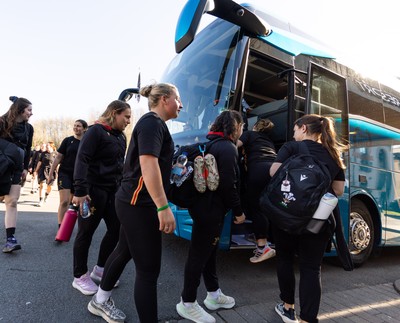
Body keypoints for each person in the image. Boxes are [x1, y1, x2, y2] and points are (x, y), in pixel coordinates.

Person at [86, 83, 180, 323]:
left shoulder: (155, 125)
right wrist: (162, 206)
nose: (181, 105)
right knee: (148, 272)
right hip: (138, 204)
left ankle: (99, 301)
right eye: (178, 99)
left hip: (132, 202)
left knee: (123, 251)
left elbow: (153, 164)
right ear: (164, 100)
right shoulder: (152, 123)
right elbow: (148, 164)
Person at [269, 114, 345, 323]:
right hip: (317, 221)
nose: (294, 134)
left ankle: (287, 308)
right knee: (311, 268)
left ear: (303, 128)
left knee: (284, 259)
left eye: (295, 129)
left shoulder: (292, 147)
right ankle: (307, 319)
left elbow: (273, 172)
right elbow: (338, 190)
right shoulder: (333, 153)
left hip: (288, 216)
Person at [176, 110, 246, 323]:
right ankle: (187, 303)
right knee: (198, 255)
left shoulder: (211, 144)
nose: (242, 130)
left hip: (202, 208)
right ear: (235, 126)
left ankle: (213, 295)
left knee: (208, 252)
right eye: (241, 126)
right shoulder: (227, 148)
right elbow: (228, 184)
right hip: (211, 212)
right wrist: (239, 211)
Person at [71, 100, 131, 296]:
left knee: (116, 229)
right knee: (86, 233)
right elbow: (83, 158)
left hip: (113, 191)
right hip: (92, 191)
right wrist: (80, 190)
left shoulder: (121, 137)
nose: (129, 121)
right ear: (115, 113)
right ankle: (79, 276)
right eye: (127, 116)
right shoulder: (95, 131)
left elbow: (120, 165)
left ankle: (100, 268)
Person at [237, 118, 277, 263]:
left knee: (256, 207)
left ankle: (262, 246)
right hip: (273, 171)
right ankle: (266, 236)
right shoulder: (269, 141)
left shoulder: (249, 134)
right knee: (266, 206)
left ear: (255, 126)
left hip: (258, 170)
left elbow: (235, 145)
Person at [0, 96, 34, 253]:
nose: (31, 113)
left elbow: (27, 149)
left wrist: (26, 168)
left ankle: (10, 240)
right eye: (29, 110)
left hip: (16, 168)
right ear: (20, 110)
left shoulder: (29, 128)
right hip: (1, 165)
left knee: (12, 201)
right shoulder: (2, 122)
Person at [48, 119, 88, 229]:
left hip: (79, 176)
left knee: (73, 203)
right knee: (64, 201)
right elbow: (58, 157)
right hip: (65, 173)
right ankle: (61, 227)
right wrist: (51, 173)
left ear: (84, 128)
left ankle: (67, 225)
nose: (76, 128)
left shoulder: (87, 142)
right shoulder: (67, 140)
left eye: (79, 126)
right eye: (75, 126)